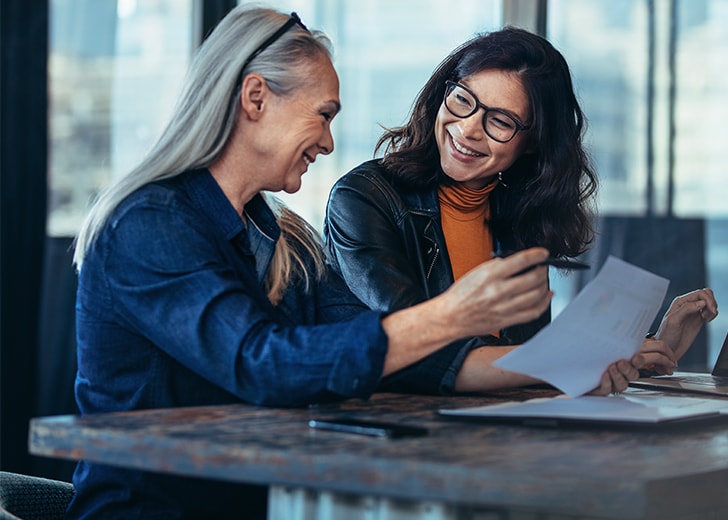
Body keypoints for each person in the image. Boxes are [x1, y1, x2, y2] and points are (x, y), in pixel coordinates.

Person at [67, 7, 614, 519]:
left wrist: (579, 364)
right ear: (255, 98)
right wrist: (450, 316)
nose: (329, 143)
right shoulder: (148, 223)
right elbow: (261, 364)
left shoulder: (283, 237)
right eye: (323, 115)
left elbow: (388, 354)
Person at [324, 26, 718, 395]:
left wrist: (643, 350)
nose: (468, 128)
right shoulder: (364, 197)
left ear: (531, 144)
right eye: (462, 99)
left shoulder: (520, 216)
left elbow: (527, 360)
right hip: (392, 434)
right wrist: (574, 362)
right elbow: (419, 346)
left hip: (495, 432)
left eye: (500, 121)